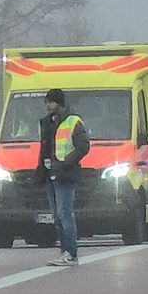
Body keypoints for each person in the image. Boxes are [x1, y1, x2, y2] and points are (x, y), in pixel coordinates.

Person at [38, 88, 91, 266]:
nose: (47, 106)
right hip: (50, 173)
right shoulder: (47, 122)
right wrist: (41, 169)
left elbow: (83, 147)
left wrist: (66, 163)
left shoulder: (73, 121)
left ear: (58, 102)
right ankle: (64, 251)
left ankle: (71, 252)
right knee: (57, 215)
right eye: (46, 102)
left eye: (50, 102)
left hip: (65, 174)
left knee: (64, 213)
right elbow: (45, 147)